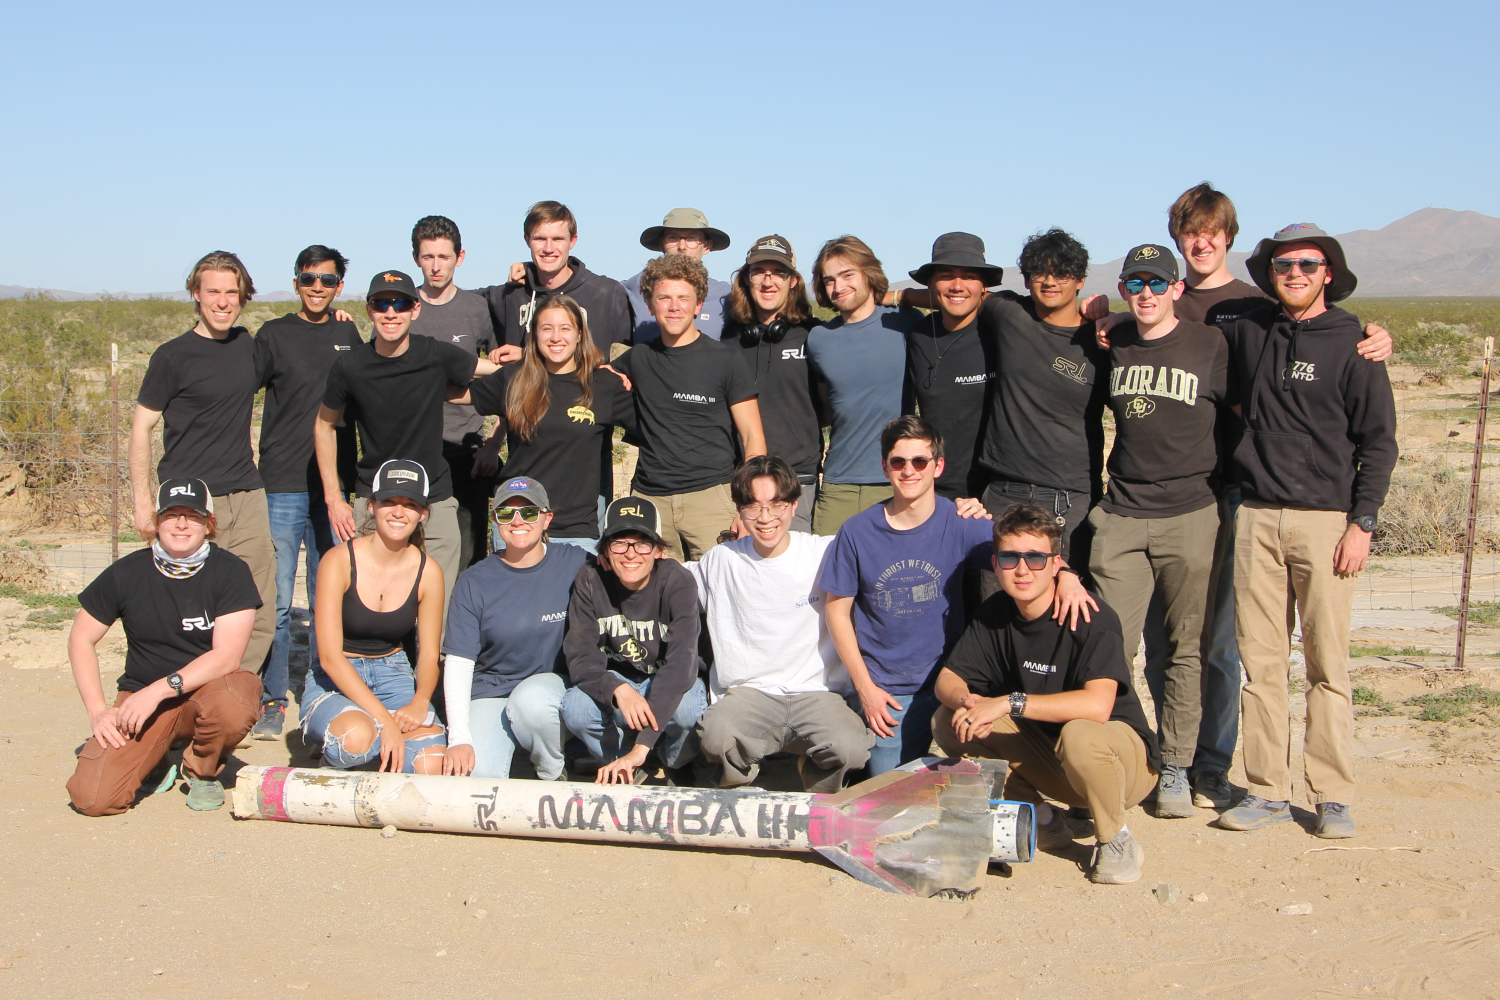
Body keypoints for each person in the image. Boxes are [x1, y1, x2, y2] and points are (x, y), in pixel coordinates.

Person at [1096, 185, 1393, 811]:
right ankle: (1187, 763)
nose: (1201, 243)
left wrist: (1373, 336)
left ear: (1229, 236)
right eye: (1189, 233)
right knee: (1187, 640)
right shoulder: (1154, 314)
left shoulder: (1255, 308)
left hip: (1237, 491)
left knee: (1222, 642)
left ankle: (1212, 765)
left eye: (1213, 232)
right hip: (1216, 497)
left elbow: (1325, 344)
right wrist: (1103, 314)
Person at [1216, 224, 1397, 839]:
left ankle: (1333, 795)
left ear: (1328, 273)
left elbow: (1378, 444)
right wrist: (1107, 314)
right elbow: (1187, 309)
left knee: (1328, 664)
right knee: (1261, 664)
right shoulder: (1249, 327)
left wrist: (1362, 524)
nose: (1294, 273)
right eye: (1283, 264)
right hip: (1258, 516)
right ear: (1269, 273)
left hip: (1327, 523)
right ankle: (1266, 789)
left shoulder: (1356, 343)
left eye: (1308, 264)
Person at [933, 503, 1161, 885]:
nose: (1022, 569)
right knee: (948, 721)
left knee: (1080, 731)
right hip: (1055, 763)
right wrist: (969, 703)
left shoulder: (1091, 616)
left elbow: (1098, 706)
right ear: (996, 562)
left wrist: (1008, 702)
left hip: (1123, 766)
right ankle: (1044, 818)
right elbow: (947, 680)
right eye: (1010, 558)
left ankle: (1115, 838)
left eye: (1036, 558)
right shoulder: (996, 613)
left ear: (1056, 564)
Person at [1086, 245, 1228, 818]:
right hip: (1121, 513)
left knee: (1182, 649)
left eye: (1156, 282)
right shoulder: (1114, 342)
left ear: (1176, 289)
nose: (1145, 292)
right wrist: (1106, 319)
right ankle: (1123, 754)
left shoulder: (1211, 345)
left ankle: (1176, 764)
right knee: (1109, 647)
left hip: (1192, 512)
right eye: (1134, 283)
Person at [66, 478, 262, 815]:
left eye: (193, 515)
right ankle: (156, 759)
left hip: (204, 692)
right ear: (157, 522)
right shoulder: (126, 572)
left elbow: (227, 656)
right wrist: (98, 710)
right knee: (93, 799)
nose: (182, 524)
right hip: (141, 700)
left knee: (236, 700)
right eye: (171, 514)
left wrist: (159, 690)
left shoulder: (231, 572)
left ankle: (202, 770)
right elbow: (80, 638)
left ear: (208, 524)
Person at [820, 417, 1002, 774]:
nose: (909, 471)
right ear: (885, 466)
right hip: (888, 689)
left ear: (938, 466)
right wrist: (866, 689)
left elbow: (1024, 555)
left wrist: (1069, 577)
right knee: (890, 793)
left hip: (950, 681)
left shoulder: (961, 521)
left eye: (920, 461)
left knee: (980, 782)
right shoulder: (857, 532)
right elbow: (836, 613)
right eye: (898, 461)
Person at [315, 269, 497, 616]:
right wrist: (333, 498)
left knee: (440, 603)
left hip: (434, 496)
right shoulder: (350, 366)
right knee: (372, 603)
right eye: (381, 304)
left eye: (400, 304)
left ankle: (437, 668)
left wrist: (537, 363)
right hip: (376, 496)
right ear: (369, 311)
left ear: (415, 309)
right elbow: (324, 426)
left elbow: (488, 370)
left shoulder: (435, 354)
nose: (391, 313)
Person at [129, 251, 277, 678]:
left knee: (256, 605)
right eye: (213, 291)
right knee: (186, 608)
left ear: (243, 297)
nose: (223, 301)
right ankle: (181, 700)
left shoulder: (250, 349)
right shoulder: (172, 356)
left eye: (232, 292)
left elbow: (301, 352)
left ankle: (232, 700)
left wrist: (335, 320)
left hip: (246, 495)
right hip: (187, 502)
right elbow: (141, 429)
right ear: (196, 294)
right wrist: (143, 503)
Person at [690, 456, 872, 792]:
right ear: (739, 509)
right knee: (716, 737)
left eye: (776, 505)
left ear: (793, 505)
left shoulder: (825, 552)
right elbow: (671, 582)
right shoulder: (723, 559)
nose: (765, 518)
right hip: (750, 692)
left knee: (851, 749)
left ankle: (818, 784)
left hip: (817, 692)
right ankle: (740, 781)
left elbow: (889, 543)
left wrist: (961, 510)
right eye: (753, 506)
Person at [249, 245, 363, 741]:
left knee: (327, 597)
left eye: (328, 280)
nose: (318, 287)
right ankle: (271, 698)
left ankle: (320, 688)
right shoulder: (273, 334)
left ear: (340, 285)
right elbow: (238, 390)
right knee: (274, 599)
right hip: (282, 483)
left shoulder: (347, 332)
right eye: (309, 279)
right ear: (295, 282)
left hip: (334, 489)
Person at [612, 254, 767, 561]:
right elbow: (589, 376)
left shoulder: (726, 360)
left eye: (684, 298)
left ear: (698, 306)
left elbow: (753, 438)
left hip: (712, 498)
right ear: (650, 304)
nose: (674, 306)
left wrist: (750, 507)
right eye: (664, 298)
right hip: (650, 500)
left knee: (722, 596)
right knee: (656, 599)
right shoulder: (637, 358)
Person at [300, 460, 447, 774]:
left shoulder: (429, 572)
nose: (398, 512)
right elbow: (328, 656)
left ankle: (372, 747)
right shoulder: (337, 560)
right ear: (371, 507)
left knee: (431, 765)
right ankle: (341, 748)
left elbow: (429, 655)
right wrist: (385, 721)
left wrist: (421, 700)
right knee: (357, 740)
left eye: (410, 505)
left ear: (423, 514)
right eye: (389, 502)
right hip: (336, 677)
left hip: (393, 673)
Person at [459, 293, 634, 550]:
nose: (555, 337)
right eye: (546, 328)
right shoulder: (514, 378)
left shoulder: (605, 385)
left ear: (580, 335)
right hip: (517, 521)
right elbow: (456, 393)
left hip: (578, 529)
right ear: (534, 335)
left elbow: (654, 421)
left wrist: (629, 369)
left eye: (565, 328)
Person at [442, 477, 589, 780]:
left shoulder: (576, 561)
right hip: (492, 692)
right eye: (506, 513)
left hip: (549, 691)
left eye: (530, 513)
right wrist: (458, 738)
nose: (518, 521)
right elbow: (458, 663)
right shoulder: (474, 581)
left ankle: (551, 771)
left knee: (531, 703)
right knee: (476, 775)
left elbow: (627, 567)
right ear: (495, 520)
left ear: (547, 519)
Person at [561, 497, 710, 784]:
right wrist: (618, 688)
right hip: (618, 677)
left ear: (659, 550)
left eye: (642, 543)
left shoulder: (677, 581)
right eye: (619, 543)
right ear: (605, 549)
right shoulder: (590, 578)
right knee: (576, 708)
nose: (631, 554)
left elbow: (682, 665)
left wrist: (643, 744)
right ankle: (621, 764)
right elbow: (580, 655)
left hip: (668, 678)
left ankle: (673, 761)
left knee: (688, 709)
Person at [805, 236, 917, 536]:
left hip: (896, 480)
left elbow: (950, 296)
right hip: (837, 483)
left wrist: (895, 296)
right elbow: (826, 407)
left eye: (847, 275)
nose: (838, 287)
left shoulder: (905, 323)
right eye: (829, 280)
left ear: (869, 273)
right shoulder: (818, 339)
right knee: (827, 577)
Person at [407, 215, 500, 570]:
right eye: (428, 257)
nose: (435, 266)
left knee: (468, 555)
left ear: (459, 257)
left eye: (444, 257)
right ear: (416, 258)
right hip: (413, 450)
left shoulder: (476, 308)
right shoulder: (402, 307)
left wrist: (492, 444)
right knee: (412, 554)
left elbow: (505, 378)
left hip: (467, 452)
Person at [722, 235, 824, 532]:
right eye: (759, 272)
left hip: (796, 481)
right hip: (735, 479)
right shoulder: (728, 340)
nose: (768, 281)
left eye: (778, 272)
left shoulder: (814, 335)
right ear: (746, 279)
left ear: (793, 280)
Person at [901, 233, 1004, 499]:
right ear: (932, 283)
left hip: (994, 493)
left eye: (969, 276)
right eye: (946, 275)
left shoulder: (1001, 332)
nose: (957, 285)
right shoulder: (919, 335)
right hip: (933, 491)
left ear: (984, 286)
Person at [484, 200, 634, 356]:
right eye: (540, 239)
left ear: (572, 241)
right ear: (527, 240)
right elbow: (460, 302)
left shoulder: (607, 294)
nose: (548, 249)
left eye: (558, 239)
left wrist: (525, 354)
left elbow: (634, 352)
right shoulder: (510, 294)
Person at [623, 207, 734, 343]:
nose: (682, 246)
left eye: (692, 238)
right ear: (662, 244)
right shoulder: (634, 287)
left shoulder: (725, 295)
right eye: (673, 238)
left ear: (707, 246)